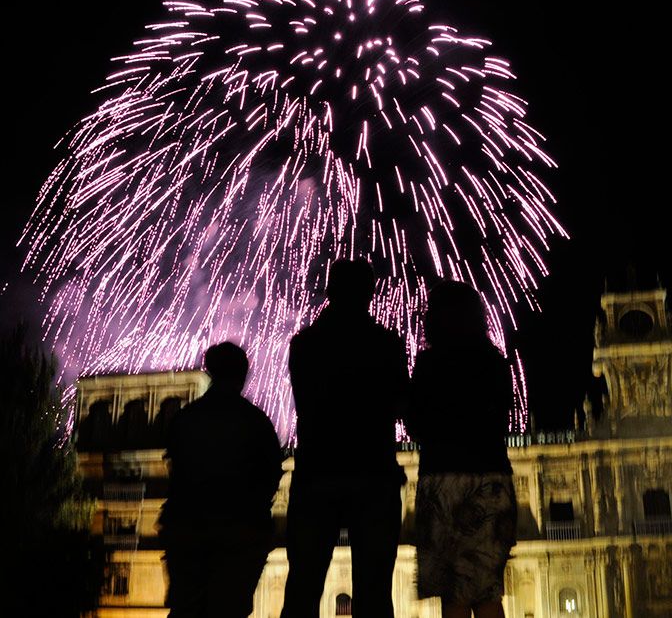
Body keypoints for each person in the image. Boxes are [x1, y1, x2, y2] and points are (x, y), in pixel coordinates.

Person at [280, 259, 410, 618]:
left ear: (329, 291)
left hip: (317, 472)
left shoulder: (304, 344)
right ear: (370, 294)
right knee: (375, 589)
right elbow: (403, 404)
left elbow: (305, 403)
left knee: (303, 585)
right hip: (373, 473)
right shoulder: (386, 344)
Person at [406, 281, 517, 618]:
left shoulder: (429, 364)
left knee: (452, 595)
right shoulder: (495, 363)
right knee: (487, 591)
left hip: (443, 481)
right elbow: (502, 419)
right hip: (490, 481)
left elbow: (415, 425)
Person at [159, 342, 283, 618]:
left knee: (186, 609)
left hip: (188, 529)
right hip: (240, 533)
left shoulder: (185, 419)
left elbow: (175, 470)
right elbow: (271, 475)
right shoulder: (256, 421)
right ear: (243, 375)